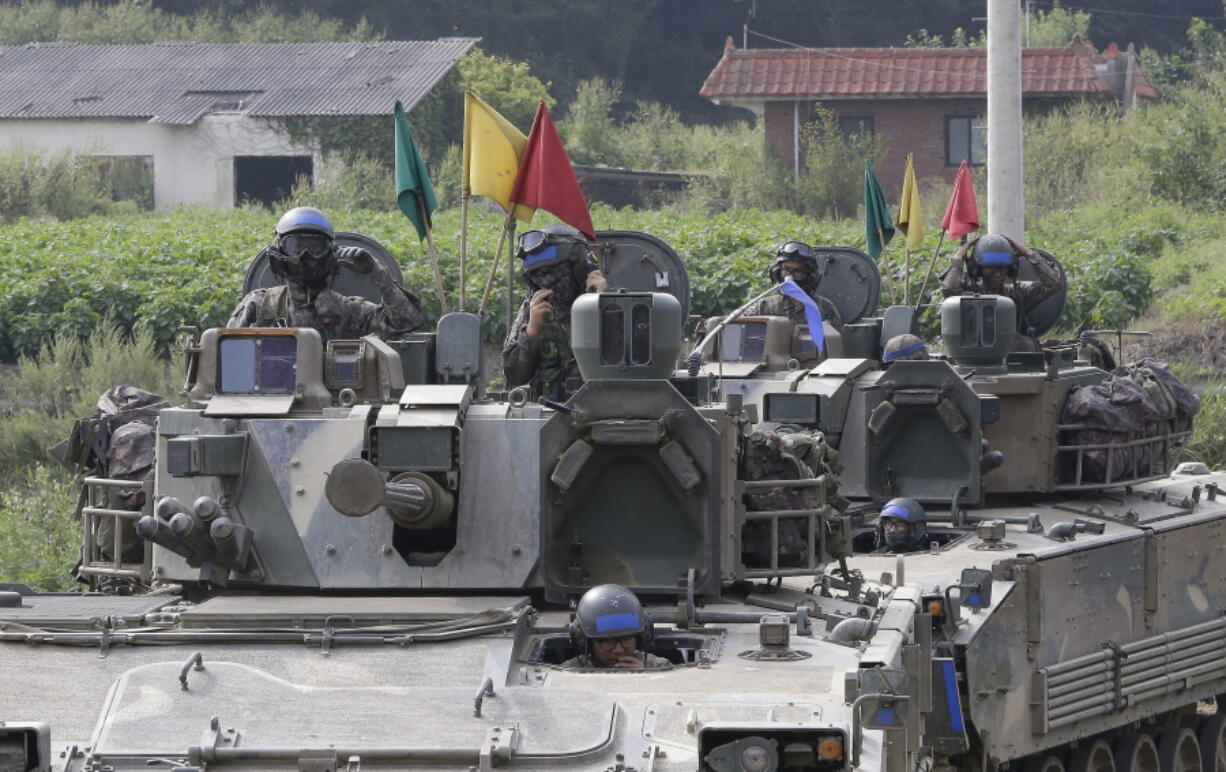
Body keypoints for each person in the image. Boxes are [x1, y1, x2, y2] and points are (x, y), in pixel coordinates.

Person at [227, 206, 426, 341]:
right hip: (268, 401)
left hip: (335, 399)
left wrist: (376, 271)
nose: (305, 256)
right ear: (280, 252)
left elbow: (407, 320)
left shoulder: (348, 311)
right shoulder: (259, 306)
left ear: (330, 253)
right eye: (296, 247)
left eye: (315, 247)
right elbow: (225, 355)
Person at [502, 225, 607, 401]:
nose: (545, 280)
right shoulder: (534, 308)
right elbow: (514, 375)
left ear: (577, 267)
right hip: (548, 413)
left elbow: (632, 362)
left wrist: (604, 305)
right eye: (537, 274)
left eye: (551, 271)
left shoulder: (609, 300)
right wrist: (531, 331)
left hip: (600, 408)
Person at [938, 233, 1062, 332]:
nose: (997, 273)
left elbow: (1053, 284)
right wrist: (958, 259)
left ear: (1010, 268)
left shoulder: (1018, 293)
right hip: (974, 354)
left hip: (1011, 352)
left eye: (1002, 267)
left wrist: (1029, 254)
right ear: (977, 268)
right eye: (990, 267)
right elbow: (949, 290)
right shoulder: (968, 293)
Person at [561, 584, 670, 670]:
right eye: (608, 642)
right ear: (587, 642)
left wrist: (647, 677)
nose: (619, 650)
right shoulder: (567, 672)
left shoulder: (661, 668)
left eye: (627, 639)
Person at [744, 241, 843, 331]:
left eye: (798, 271)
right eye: (786, 269)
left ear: (809, 276)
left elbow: (834, 345)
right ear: (778, 272)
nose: (790, 276)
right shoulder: (763, 307)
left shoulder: (824, 308)